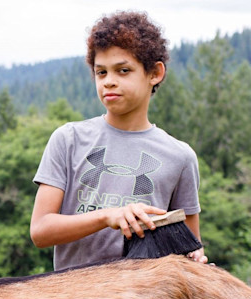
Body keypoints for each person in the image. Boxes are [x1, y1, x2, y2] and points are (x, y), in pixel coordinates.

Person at [30, 10, 207, 271]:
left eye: (123, 71)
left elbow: (190, 247)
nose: (109, 82)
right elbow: (40, 231)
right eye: (101, 73)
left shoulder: (180, 157)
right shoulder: (69, 139)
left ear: (155, 73)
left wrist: (196, 260)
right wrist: (106, 216)